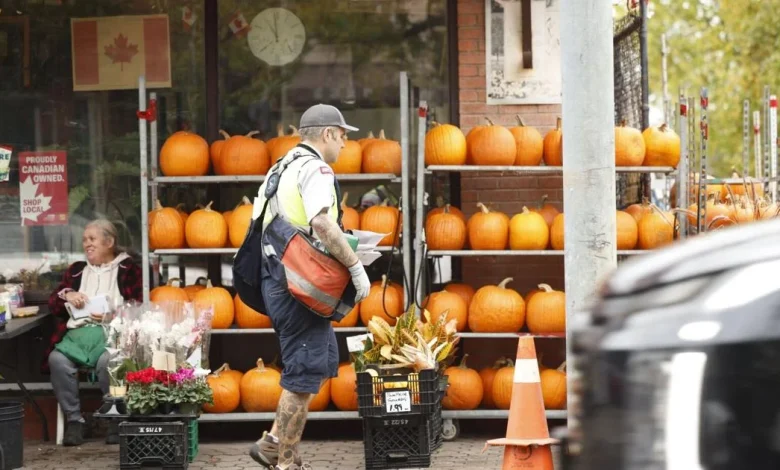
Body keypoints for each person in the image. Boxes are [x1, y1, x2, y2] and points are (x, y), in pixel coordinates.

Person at [248, 104, 371, 470]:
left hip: (280, 279)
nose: (346, 143)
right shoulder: (316, 168)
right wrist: (355, 265)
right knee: (301, 376)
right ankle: (285, 463)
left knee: (308, 368)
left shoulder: (282, 166)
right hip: (299, 285)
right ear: (328, 133)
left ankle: (274, 443)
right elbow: (320, 222)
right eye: (343, 135)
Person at [44, 219, 142, 446]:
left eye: (92, 239)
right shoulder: (77, 271)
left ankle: (115, 418)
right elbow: (54, 304)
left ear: (109, 242)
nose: (87, 244)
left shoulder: (128, 270)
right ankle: (75, 421)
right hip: (77, 335)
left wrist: (113, 315)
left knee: (110, 359)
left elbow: (139, 306)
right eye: (84, 240)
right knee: (57, 360)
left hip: (111, 332)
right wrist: (67, 295)